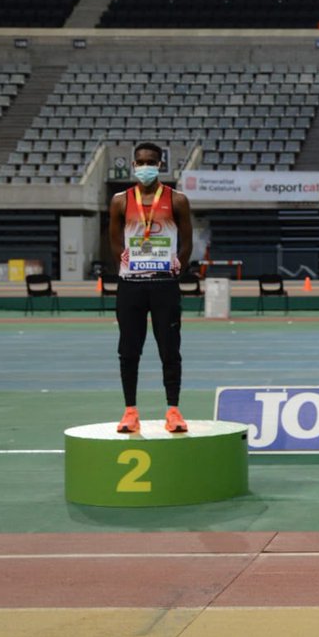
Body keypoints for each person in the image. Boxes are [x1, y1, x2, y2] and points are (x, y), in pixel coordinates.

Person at [109, 142, 193, 433]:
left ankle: (173, 410)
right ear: (134, 166)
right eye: (141, 161)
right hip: (131, 284)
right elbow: (115, 240)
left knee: (170, 349)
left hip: (164, 284)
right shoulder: (120, 200)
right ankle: (130, 410)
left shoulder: (177, 200)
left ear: (160, 166)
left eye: (151, 162)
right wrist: (123, 256)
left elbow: (186, 244)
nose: (145, 166)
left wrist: (178, 265)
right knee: (129, 350)